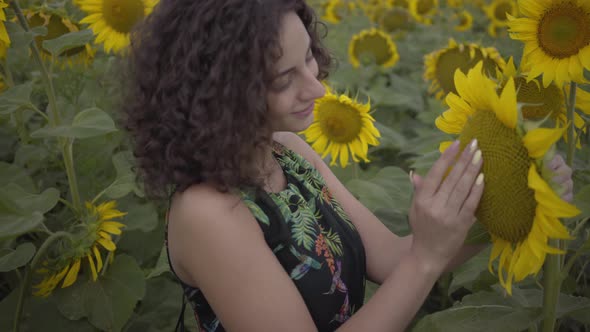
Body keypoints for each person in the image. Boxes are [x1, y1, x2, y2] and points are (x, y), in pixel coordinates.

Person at [121, 0, 575, 331]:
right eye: (285, 78)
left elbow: (393, 259)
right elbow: (414, 263)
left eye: (309, 59)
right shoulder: (208, 214)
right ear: (219, 95)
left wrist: (507, 203)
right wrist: (425, 259)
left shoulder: (287, 152)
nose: (317, 89)